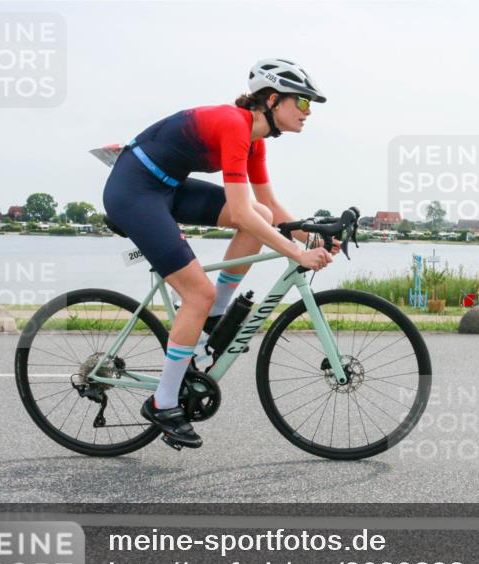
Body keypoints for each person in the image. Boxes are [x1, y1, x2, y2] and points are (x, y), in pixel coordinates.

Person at [102, 58, 337, 449]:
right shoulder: (234, 125)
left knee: (259, 217)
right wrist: (297, 254)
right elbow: (240, 212)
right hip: (134, 192)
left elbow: (268, 208)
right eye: (303, 103)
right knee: (198, 291)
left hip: (168, 188)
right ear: (274, 100)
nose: (308, 112)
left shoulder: (255, 141)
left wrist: (312, 237)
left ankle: (213, 315)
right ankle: (163, 402)